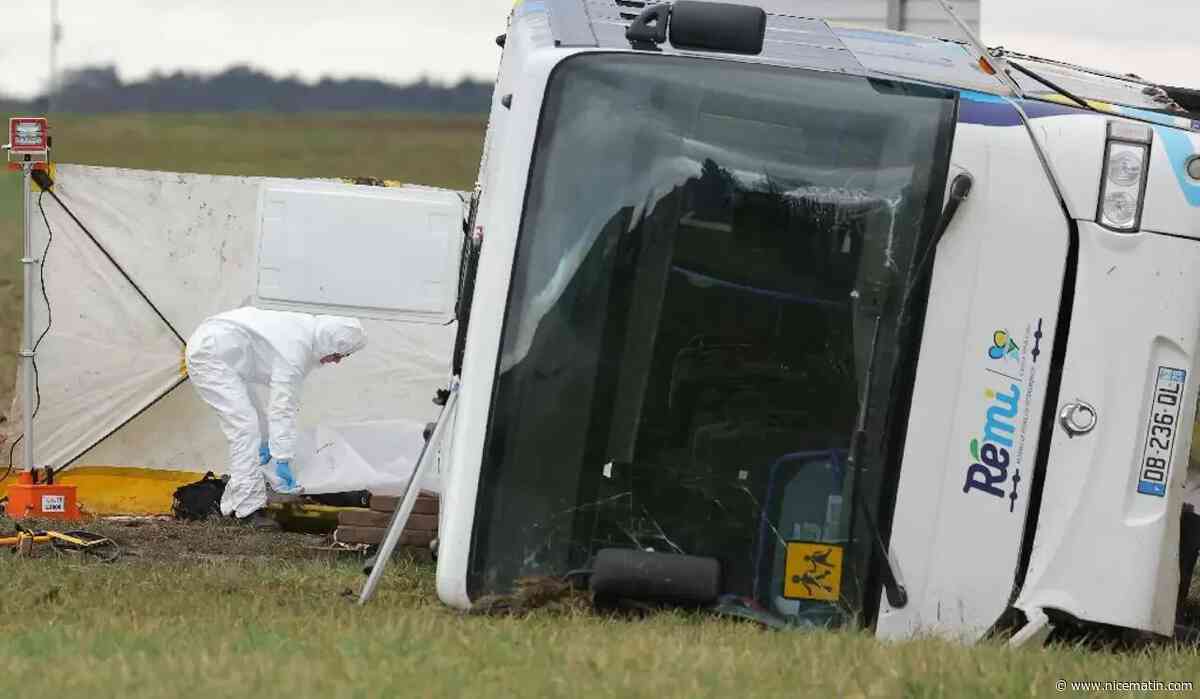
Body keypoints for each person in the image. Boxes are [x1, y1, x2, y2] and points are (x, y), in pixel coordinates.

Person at [185, 307, 367, 528]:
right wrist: (282, 458)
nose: (337, 361)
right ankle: (248, 511)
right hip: (210, 356)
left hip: (221, 352)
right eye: (340, 354)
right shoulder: (296, 348)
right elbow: (282, 408)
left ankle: (235, 502)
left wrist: (269, 443)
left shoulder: (305, 334)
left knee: (257, 428)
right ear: (330, 342)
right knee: (245, 429)